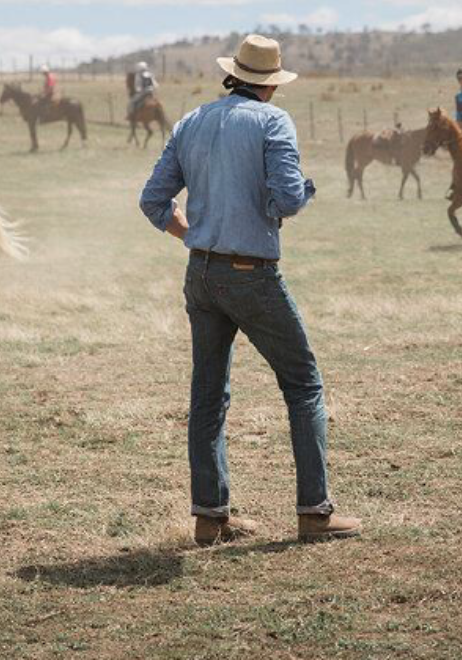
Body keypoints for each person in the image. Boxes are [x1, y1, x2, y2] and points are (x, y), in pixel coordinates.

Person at [140, 34, 361, 547]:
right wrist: (303, 190)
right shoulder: (273, 121)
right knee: (303, 384)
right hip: (251, 272)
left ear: (234, 74)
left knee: (208, 395)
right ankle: (314, 513)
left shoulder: (192, 120)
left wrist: (193, 235)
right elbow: (286, 198)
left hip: (201, 273)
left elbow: (154, 200)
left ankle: (209, 518)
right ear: (270, 85)